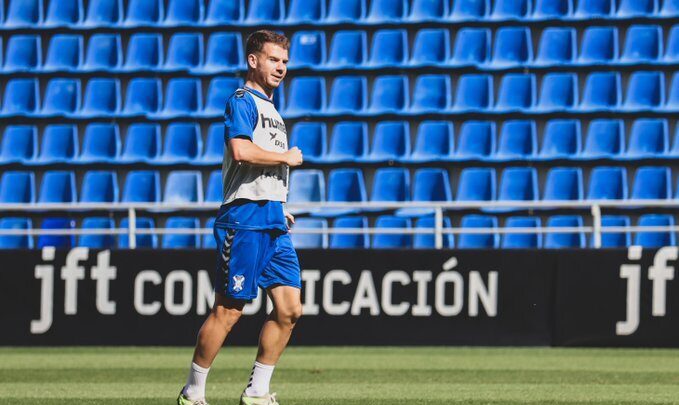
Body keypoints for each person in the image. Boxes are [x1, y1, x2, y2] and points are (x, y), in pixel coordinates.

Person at [178, 30, 304, 405]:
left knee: (289, 309)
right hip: (244, 218)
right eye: (273, 59)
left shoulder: (274, 112)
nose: (280, 67)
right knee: (229, 311)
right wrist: (285, 157)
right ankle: (192, 392)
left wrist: (280, 204)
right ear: (253, 61)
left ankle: (256, 392)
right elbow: (241, 151)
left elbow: (262, 171)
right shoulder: (242, 100)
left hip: (272, 220)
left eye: (284, 61)